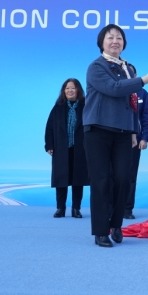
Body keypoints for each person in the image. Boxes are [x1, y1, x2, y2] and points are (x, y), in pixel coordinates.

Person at [84, 24, 148, 248]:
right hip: (98, 129)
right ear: (101, 42)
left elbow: (132, 102)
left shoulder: (128, 68)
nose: (115, 41)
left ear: (124, 43)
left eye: (119, 38)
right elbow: (114, 88)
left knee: (123, 178)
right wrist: (144, 80)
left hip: (124, 132)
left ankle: (116, 224)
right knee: (101, 180)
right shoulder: (96, 67)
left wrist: (134, 130)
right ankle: (100, 231)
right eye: (110, 37)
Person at [45, 78, 89, 218]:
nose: (70, 90)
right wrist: (49, 145)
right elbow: (50, 127)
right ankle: (60, 208)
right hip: (61, 148)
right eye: (67, 88)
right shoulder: (58, 107)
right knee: (61, 179)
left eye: (73, 88)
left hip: (80, 148)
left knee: (78, 179)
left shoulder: (85, 106)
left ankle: (76, 209)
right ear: (64, 91)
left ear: (78, 90)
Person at [124, 63, 148, 220]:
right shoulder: (115, 92)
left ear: (136, 76)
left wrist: (144, 138)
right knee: (111, 175)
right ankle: (109, 208)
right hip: (114, 139)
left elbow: (147, 118)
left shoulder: (142, 94)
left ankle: (127, 209)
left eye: (131, 74)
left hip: (134, 141)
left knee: (130, 176)